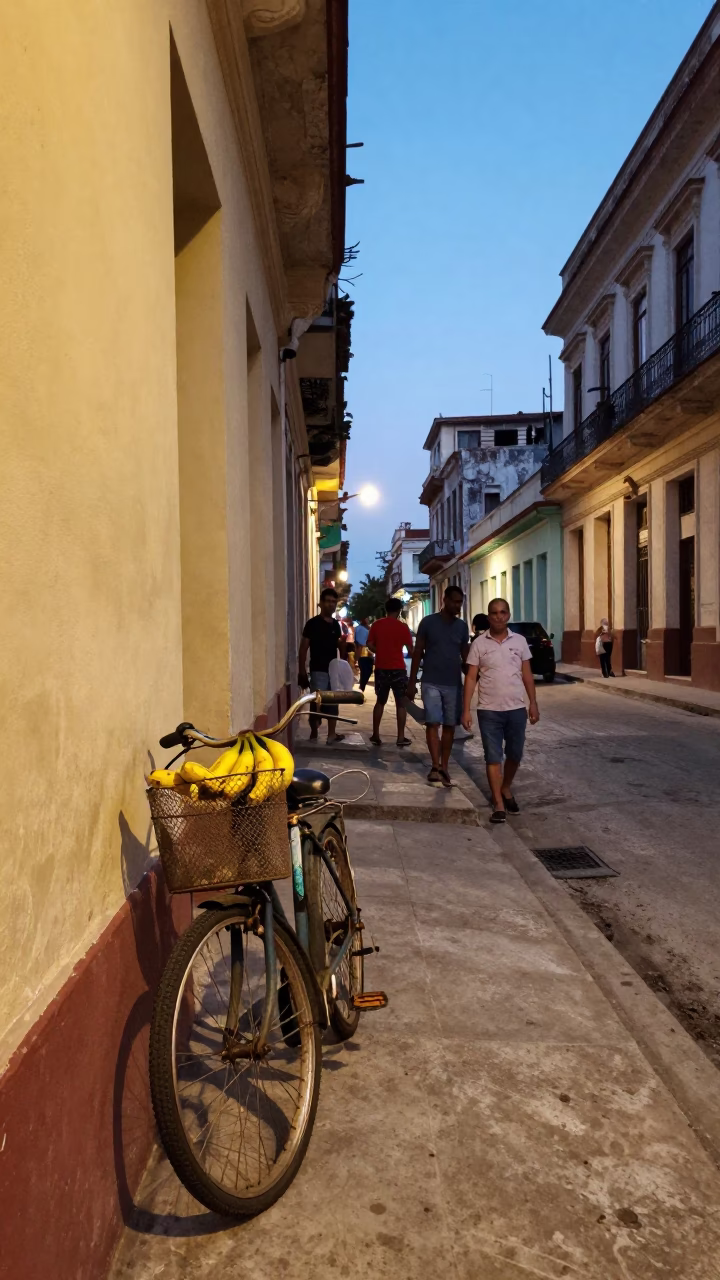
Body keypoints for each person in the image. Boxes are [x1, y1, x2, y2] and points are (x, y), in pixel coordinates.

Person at [462, 597, 539, 824]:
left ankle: (506, 788)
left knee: (515, 754)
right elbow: (471, 677)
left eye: (503, 612)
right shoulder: (479, 644)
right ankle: (498, 803)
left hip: (516, 709)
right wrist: (466, 709)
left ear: (508, 615)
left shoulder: (520, 642)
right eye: (494, 613)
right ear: (489, 616)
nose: (498, 616)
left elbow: (527, 674)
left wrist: (532, 702)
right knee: (493, 757)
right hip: (488, 711)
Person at [407, 585, 469, 788]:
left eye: (460, 602)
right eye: (454, 601)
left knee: (450, 725)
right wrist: (412, 681)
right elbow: (417, 652)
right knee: (433, 722)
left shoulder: (462, 626)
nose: (458, 606)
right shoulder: (428, 623)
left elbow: (466, 655)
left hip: (453, 684)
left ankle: (444, 765)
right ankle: (434, 766)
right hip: (431, 681)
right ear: (445, 600)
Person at [298, 587, 347, 743]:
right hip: (318, 669)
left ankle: (331, 734)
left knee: (333, 702)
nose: (331, 605)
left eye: (334, 602)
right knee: (316, 704)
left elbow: (339, 645)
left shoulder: (336, 625)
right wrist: (302, 671)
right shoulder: (312, 624)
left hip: (333, 671)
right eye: (328, 601)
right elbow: (304, 647)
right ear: (320, 603)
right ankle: (314, 733)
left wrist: (344, 655)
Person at [366, 599, 414, 746]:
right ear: (399, 610)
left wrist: (379, 650)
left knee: (380, 702)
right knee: (401, 704)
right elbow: (411, 650)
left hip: (381, 668)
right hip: (398, 669)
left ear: (386, 609)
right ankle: (400, 737)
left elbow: (369, 644)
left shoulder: (377, 625)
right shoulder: (403, 627)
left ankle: (375, 734)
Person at [354, 616, 374, 691]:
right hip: (363, 652)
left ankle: (362, 686)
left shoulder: (370, 628)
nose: (367, 619)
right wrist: (357, 657)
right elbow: (358, 643)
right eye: (365, 618)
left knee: (369, 671)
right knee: (365, 671)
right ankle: (362, 687)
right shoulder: (359, 629)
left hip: (370, 652)